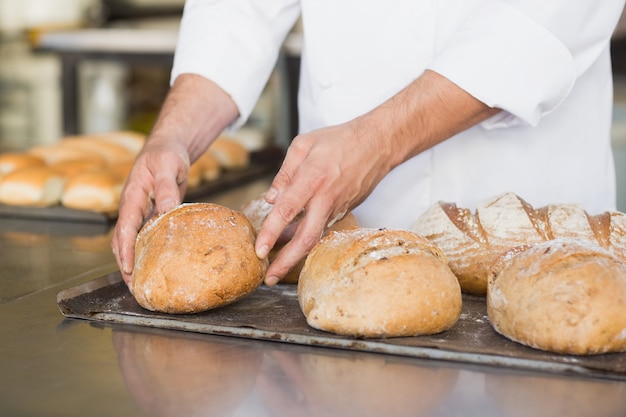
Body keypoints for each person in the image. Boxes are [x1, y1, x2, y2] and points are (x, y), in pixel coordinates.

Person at [112, 0, 626, 287]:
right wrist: (173, 135)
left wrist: (375, 142)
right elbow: (239, 12)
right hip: (338, 244)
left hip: (535, 239)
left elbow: (542, 21)